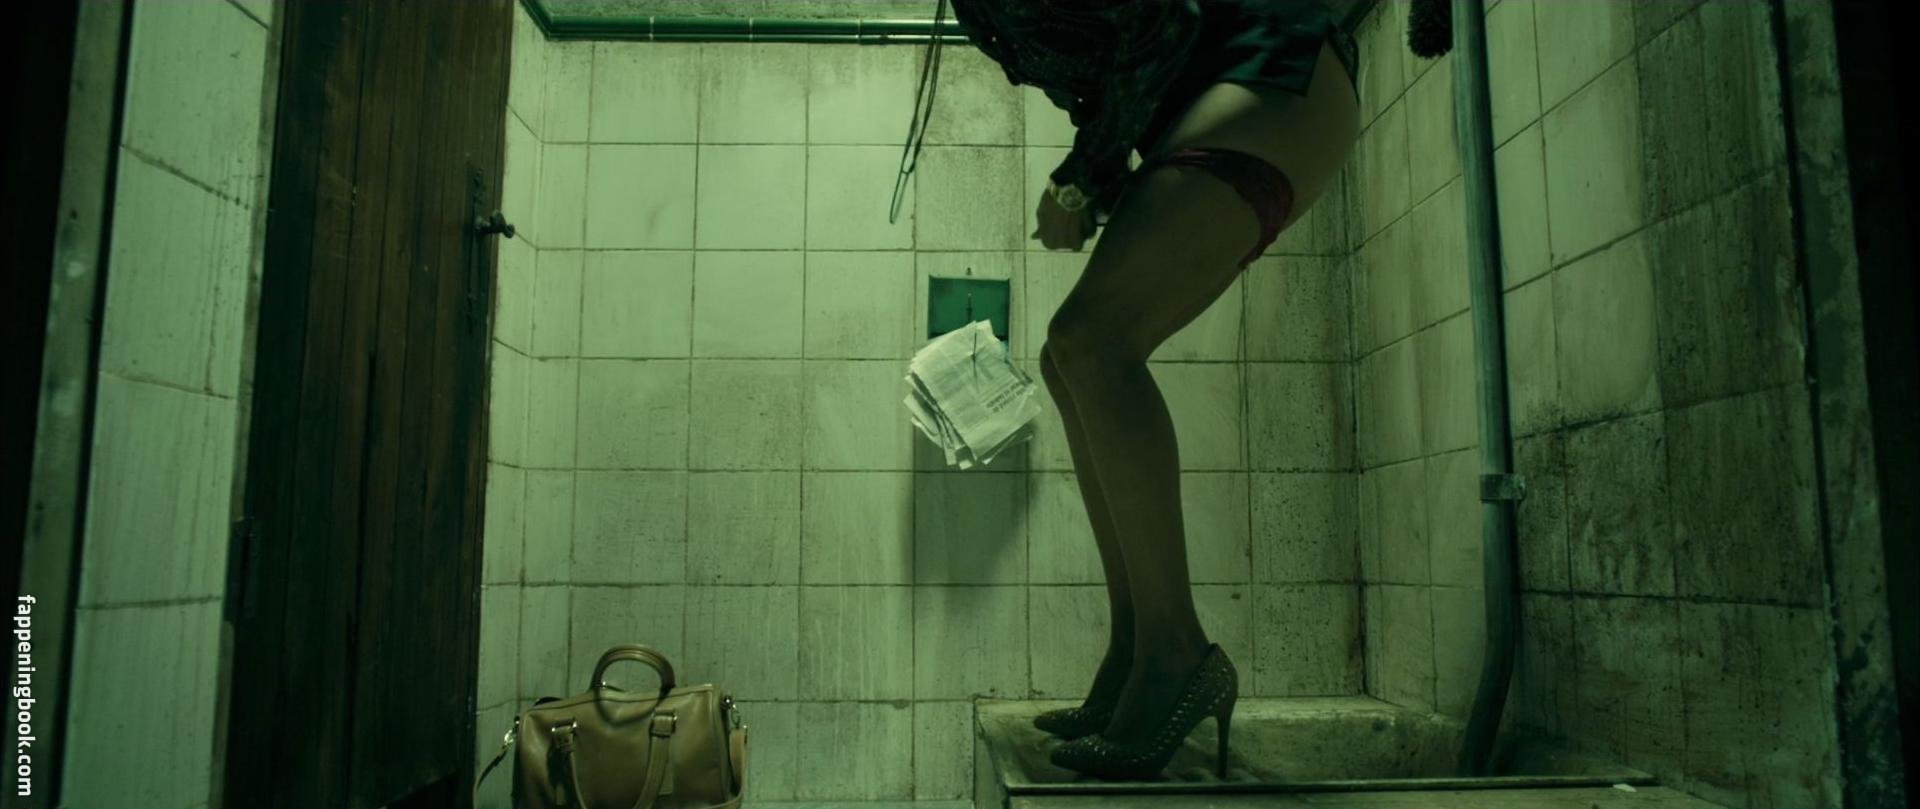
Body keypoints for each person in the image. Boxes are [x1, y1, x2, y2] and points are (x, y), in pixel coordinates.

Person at [941, 0, 1364, 781]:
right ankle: (1137, 648)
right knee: (1069, 358)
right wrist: (1095, 166)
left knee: (1094, 342)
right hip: (1244, 88)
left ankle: (1174, 653)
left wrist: (1083, 177)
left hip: (1271, 64)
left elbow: (1165, 20)